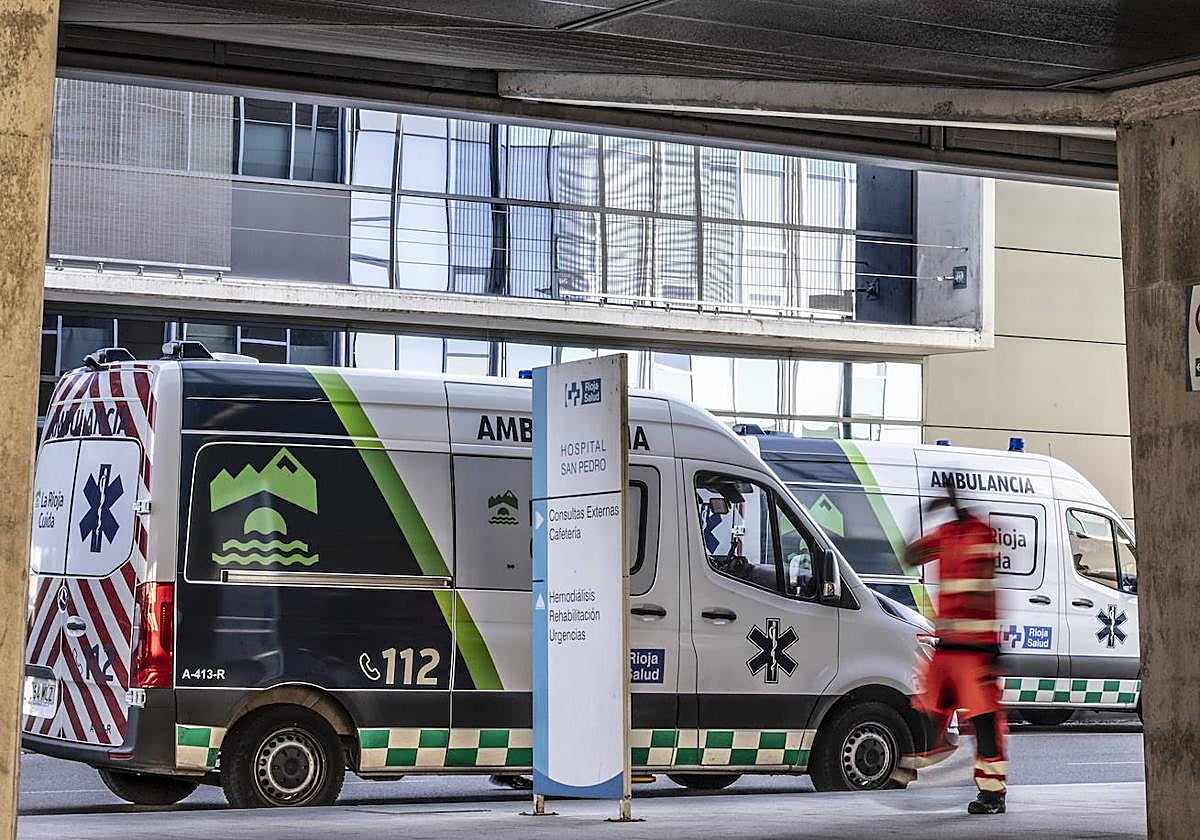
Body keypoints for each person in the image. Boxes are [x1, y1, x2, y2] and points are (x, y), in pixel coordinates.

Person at [903, 483, 1007, 815]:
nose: (951, 500)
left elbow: (982, 588)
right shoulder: (945, 534)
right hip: (950, 648)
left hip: (977, 651)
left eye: (954, 495)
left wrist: (994, 655)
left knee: (984, 724)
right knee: (929, 710)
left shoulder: (984, 534)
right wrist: (921, 515)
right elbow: (910, 556)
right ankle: (909, 764)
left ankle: (993, 794)